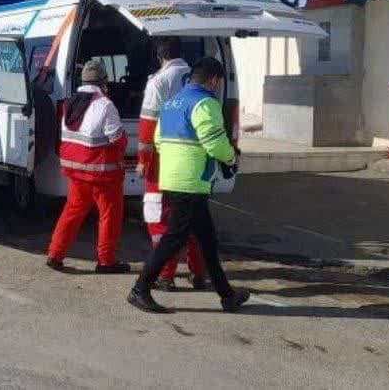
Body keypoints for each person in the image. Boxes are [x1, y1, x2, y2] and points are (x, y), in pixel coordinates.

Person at [128, 57, 250, 313]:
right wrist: (231, 157)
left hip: (172, 179)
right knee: (173, 239)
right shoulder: (205, 103)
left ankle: (227, 295)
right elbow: (214, 142)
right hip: (191, 182)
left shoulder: (172, 103)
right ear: (214, 80)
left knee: (207, 240)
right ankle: (140, 288)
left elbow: (159, 140)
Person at [46, 59, 130, 273]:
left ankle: (55, 255)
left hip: (76, 171)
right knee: (109, 216)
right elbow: (117, 140)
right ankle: (106, 261)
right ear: (103, 81)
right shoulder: (105, 104)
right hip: (103, 174)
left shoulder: (69, 103)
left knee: (72, 212)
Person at [137, 38, 208, 291]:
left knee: (160, 218)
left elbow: (147, 128)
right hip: (195, 159)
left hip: (164, 158)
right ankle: (199, 272)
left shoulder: (158, 81)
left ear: (159, 56)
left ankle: (165, 275)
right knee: (193, 218)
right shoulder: (198, 77)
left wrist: (144, 161)